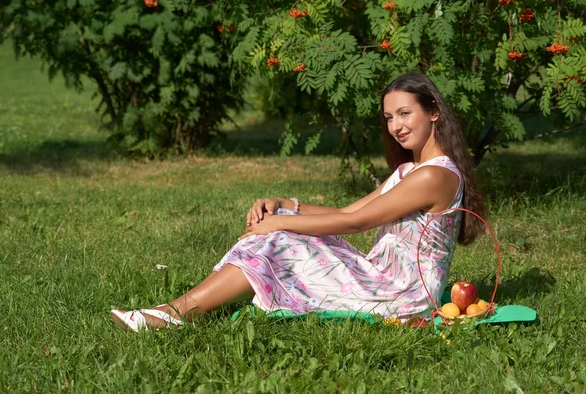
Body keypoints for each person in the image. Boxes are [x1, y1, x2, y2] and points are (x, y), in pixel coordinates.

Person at [111, 73, 485, 332]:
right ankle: (176, 311)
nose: (395, 126)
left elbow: (358, 224)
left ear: (433, 110)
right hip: (382, 279)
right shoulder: (411, 170)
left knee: (280, 236)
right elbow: (348, 211)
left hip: (401, 296)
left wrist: (280, 224)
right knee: (281, 227)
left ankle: (174, 313)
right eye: (389, 117)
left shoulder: (434, 175)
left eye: (405, 113)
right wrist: (285, 205)